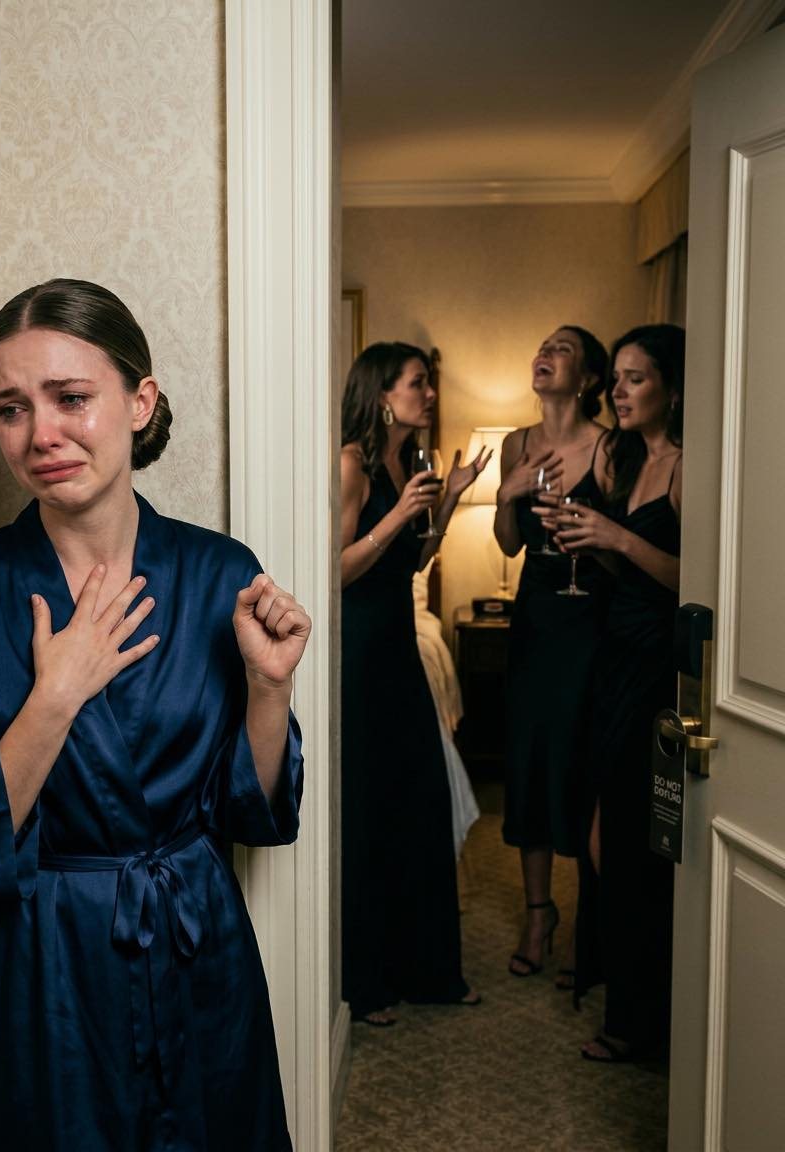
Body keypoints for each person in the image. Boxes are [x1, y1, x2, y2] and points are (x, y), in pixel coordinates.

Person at [0, 279, 311, 1150]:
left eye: (70, 398)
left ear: (139, 401)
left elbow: (251, 817)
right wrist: (54, 697)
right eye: (10, 409)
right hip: (48, 973)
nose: (40, 434)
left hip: (201, 953)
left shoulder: (219, 573)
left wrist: (270, 689)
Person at [340, 341, 489, 1026]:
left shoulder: (411, 463)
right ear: (382, 394)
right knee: (370, 810)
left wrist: (449, 499)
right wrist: (399, 512)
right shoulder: (351, 464)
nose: (429, 394)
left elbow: (413, 560)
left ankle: (427, 971)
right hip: (360, 653)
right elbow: (334, 568)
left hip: (399, 649)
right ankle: (365, 983)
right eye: (418, 383)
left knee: (419, 802)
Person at [558, 324, 684, 1062]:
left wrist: (618, 537)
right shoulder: (632, 459)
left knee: (633, 842)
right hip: (614, 658)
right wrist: (595, 546)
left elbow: (695, 579)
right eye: (618, 379)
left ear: (673, 387)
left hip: (658, 671)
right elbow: (632, 576)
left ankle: (642, 1023)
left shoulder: (688, 466)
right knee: (598, 833)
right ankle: (623, 991)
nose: (619, 391)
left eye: (636, 378)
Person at [493, 326, 610, 986]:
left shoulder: (609, 448)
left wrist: (588, 540)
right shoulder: (517, 442)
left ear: (588, 378)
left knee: (580, 762)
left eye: (562, 348)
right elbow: (509, 544)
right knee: (530, 761)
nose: (545, 353)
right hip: (535, 616)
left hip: (590, 621)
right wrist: (506, 494)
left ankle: (588, 927)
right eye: (543, 346)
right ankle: (539, 915)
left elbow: (620, 551)